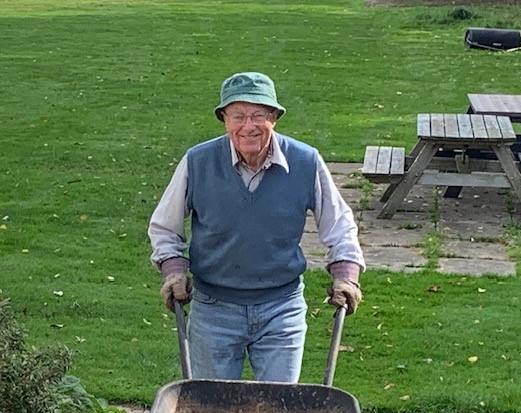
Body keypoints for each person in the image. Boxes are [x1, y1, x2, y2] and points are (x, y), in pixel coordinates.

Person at [148, 72, 365, 383]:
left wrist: (346, 275)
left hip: (281, 308)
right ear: (224, 119)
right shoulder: (198, 162)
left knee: (278, 410)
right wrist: (172, 269)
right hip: (213, 309)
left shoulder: (305, 162)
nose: (248, 125)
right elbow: (165, 228)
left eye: (258, 115)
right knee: (213, 410)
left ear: (274, 117)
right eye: (237, 115)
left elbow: (341, 226)